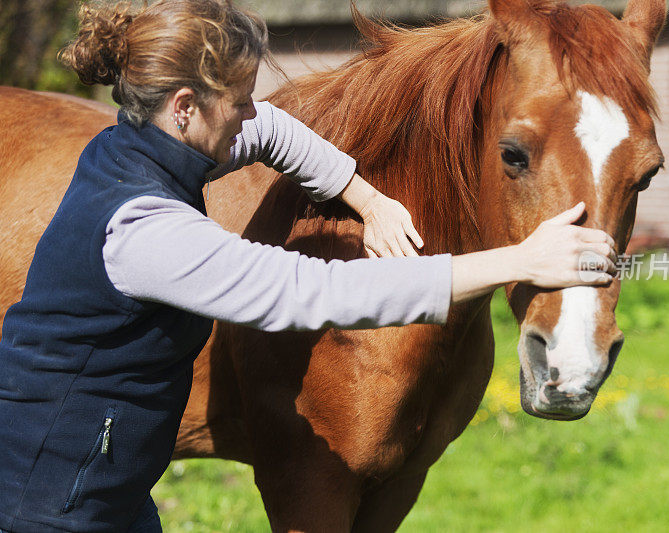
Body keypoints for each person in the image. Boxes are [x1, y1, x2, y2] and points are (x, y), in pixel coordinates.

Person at [0, 1, 617, 531]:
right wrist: (515, 260)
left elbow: (269, 130)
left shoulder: (142, 145)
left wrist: (366, 196)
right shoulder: (144, 232)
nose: (252, 111)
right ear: (185, 107)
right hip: (54, 493)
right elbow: (310, 291)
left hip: (113, 477)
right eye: (239, 100)